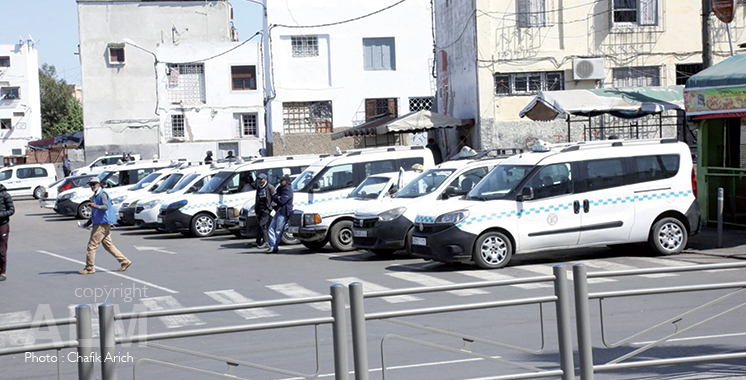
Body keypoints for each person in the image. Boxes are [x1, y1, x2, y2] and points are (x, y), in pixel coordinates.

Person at [78, 177, 132, 274]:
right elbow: (95, 213)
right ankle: (124, 261)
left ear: (98, 184)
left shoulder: (102, 194)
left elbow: (105, 207)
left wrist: (95, 206)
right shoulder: (95, 195)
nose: (92, 186)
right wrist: (88, 223)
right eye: (91, 184)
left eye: (94, 184)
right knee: (108, 245)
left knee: (92, 246)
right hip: (101, 222)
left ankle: (90, 268)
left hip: (101, 224)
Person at [266, 175, 293, 254]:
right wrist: (277, 197)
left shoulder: (288, 190)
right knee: (271, 228)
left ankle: (275, 247)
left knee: (278, 230)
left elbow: (281, 201)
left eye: (282, 181)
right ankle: (272, 245)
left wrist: (277, 197)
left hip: (284, 212)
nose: (280, 182)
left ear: (286, 182)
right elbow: (274, 196)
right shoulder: (280, 188)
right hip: (279, 210)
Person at [254, 173, 275, 248]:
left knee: (262, 225)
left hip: (266, 209)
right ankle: (258, 241)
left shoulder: (270, 187)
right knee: (259, 226)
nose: (260, 181)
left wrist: (270, 207)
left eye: (261, 179)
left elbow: (274, 198)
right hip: (260, 209)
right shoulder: (259, 187)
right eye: (259, 179)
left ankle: (267, 242)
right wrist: (256, 211)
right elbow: (257, 199)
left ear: (265, 179)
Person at [0, 183, 15, 282]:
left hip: (3, 224)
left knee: (1, 250)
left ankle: (3, 272)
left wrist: (1, 214)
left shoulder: (5, 195)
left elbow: (12, 210)